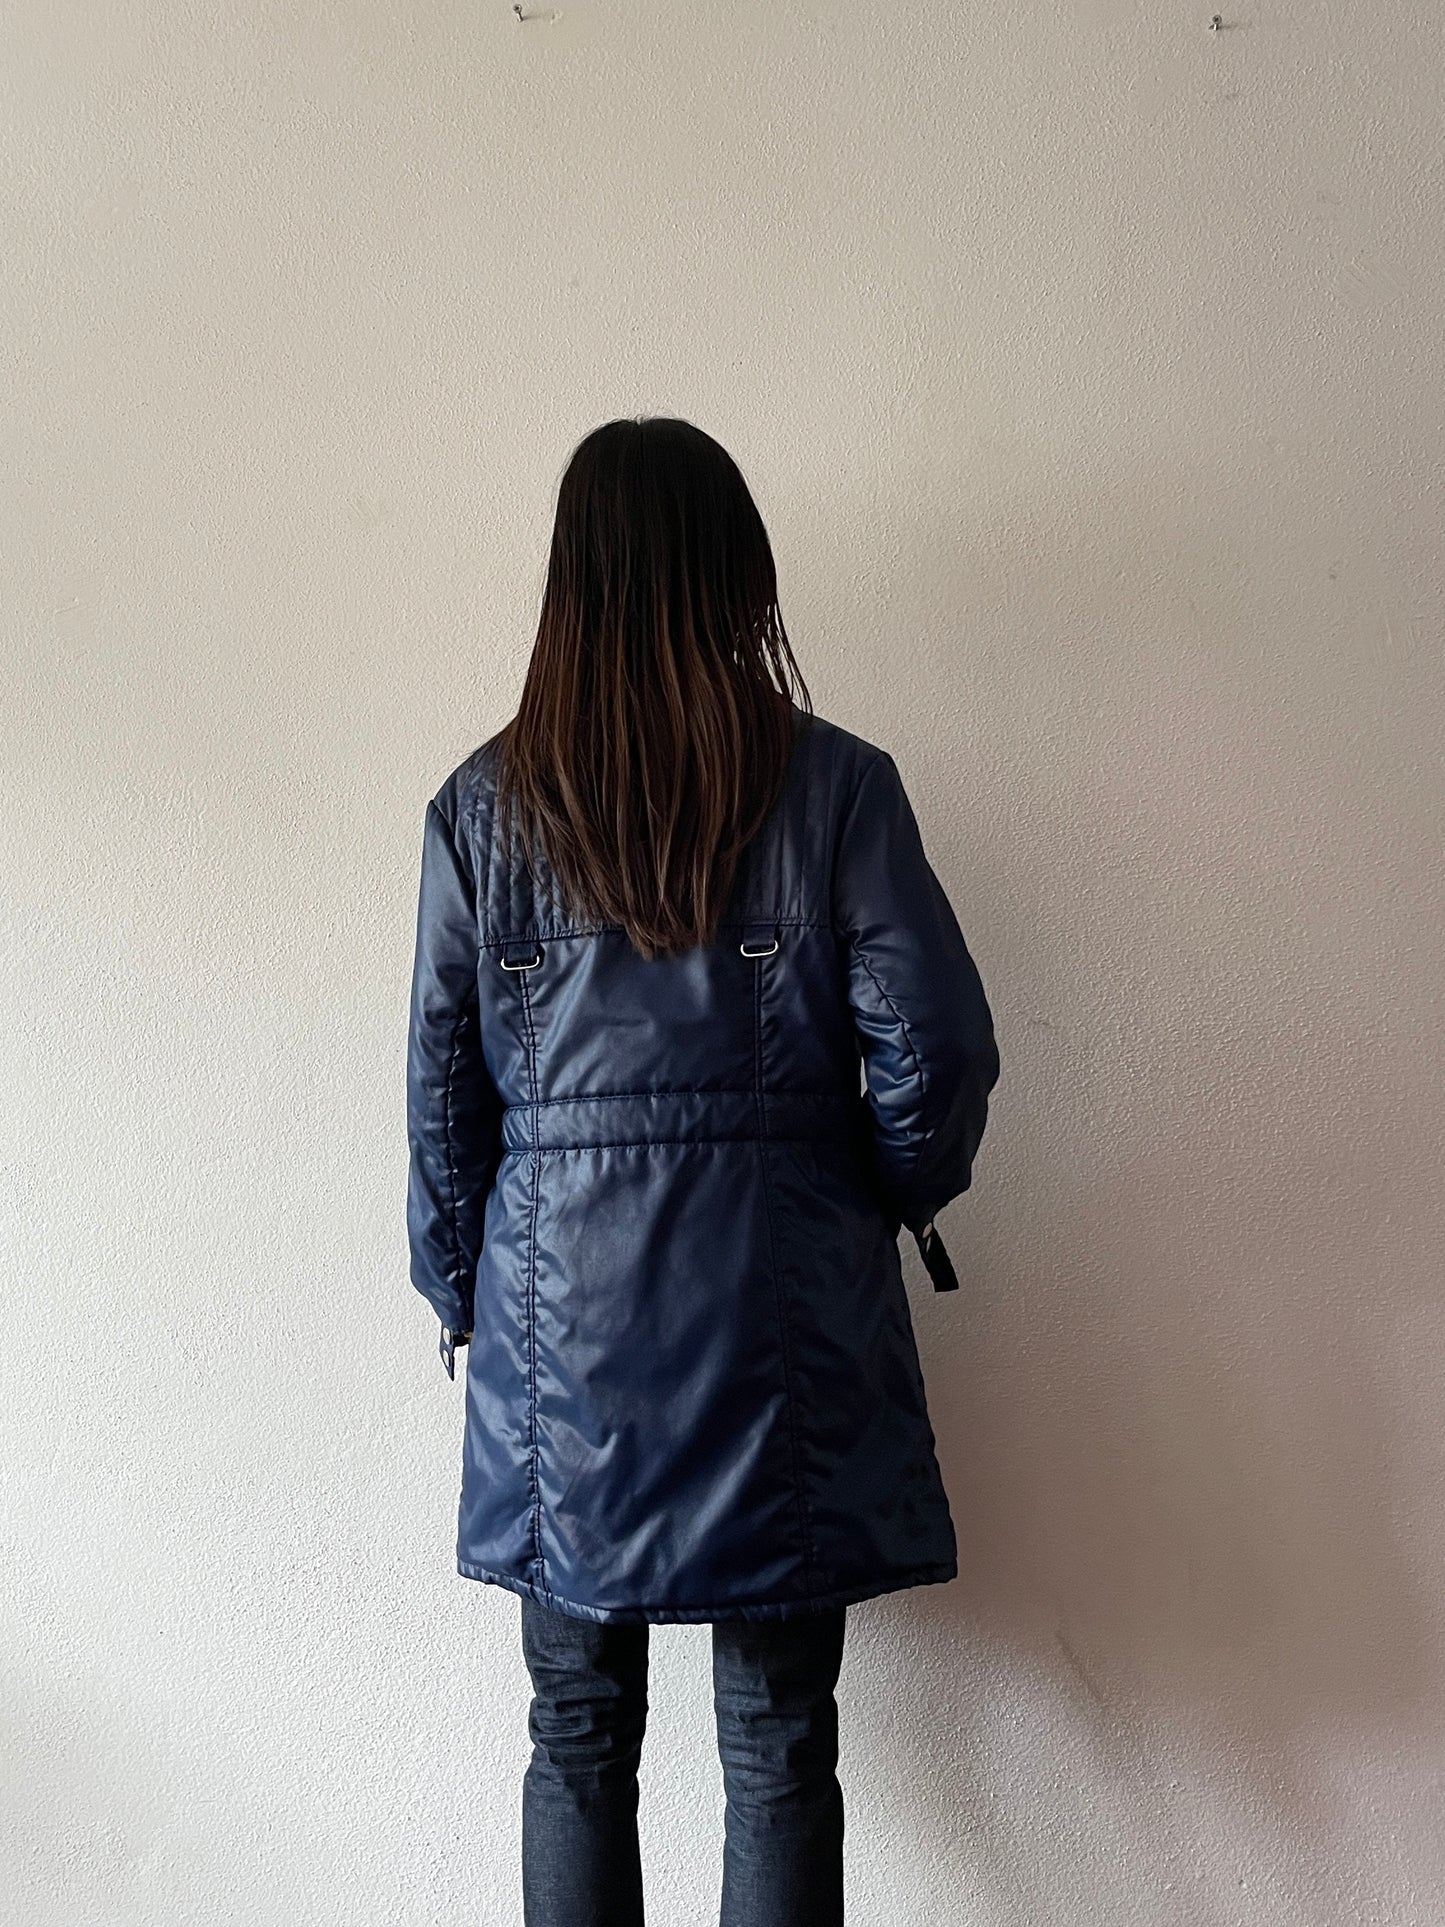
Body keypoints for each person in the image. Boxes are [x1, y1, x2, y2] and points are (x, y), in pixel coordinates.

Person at [405, 416, 1001, 1927]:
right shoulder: (838, 788)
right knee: (781, 1742)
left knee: (576, 1732)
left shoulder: (479, 811)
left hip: (558, 1348)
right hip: (784, 1319)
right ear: (739, 574)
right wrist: (873, 1196)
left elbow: (441, 1106)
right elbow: (936, 1051)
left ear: (571, 584)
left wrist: (461, 1287)